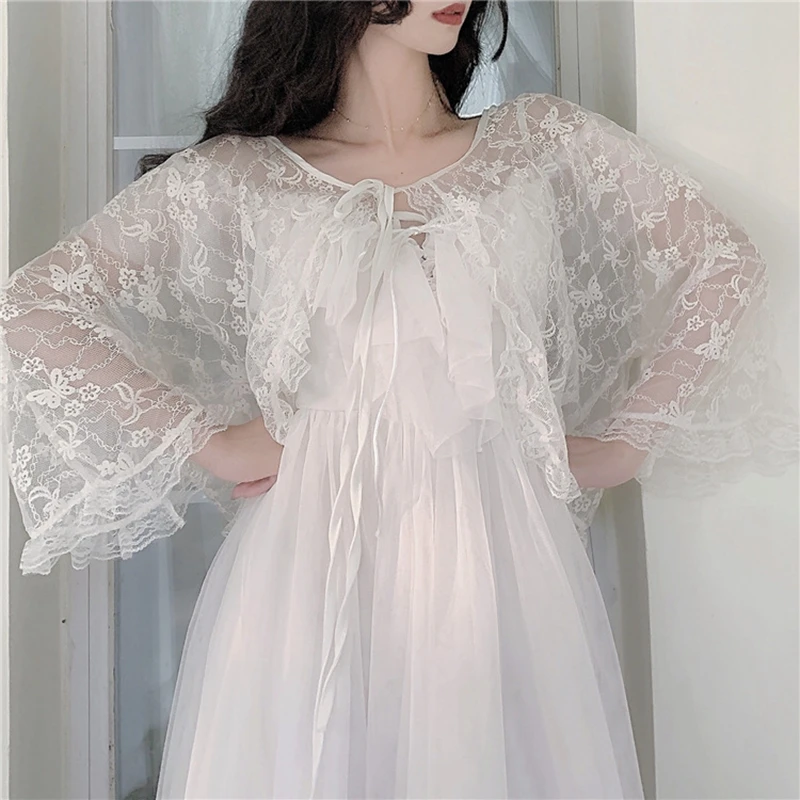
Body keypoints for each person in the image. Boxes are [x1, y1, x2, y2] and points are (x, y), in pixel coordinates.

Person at [1, 1, 797, 797]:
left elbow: (723, 260)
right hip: (308, 560)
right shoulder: (243, 176)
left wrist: (627, 442)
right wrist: (209, 440)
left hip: (504, 560)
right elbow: (35, 304)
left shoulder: (540, 142)